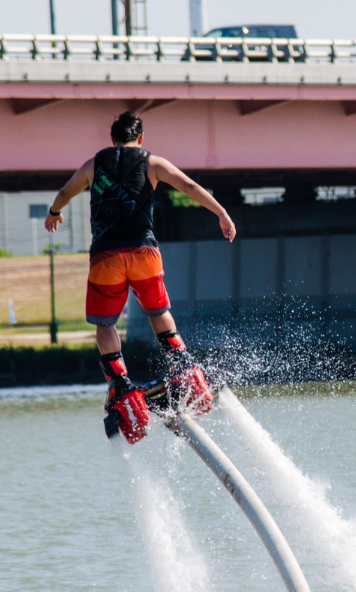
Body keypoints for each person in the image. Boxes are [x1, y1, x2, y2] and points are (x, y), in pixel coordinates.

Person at [45, 111, 236, 429]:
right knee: (157, 310)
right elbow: (188, 185)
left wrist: (54, 213)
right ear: (141, 138)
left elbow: (66, 192)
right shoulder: (152, 162)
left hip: (106, 257)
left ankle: (120, 382)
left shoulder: (94, 165)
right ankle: (183, 366)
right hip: (143, 253)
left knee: (105, 324)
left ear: (112, 139)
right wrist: (222, 212)